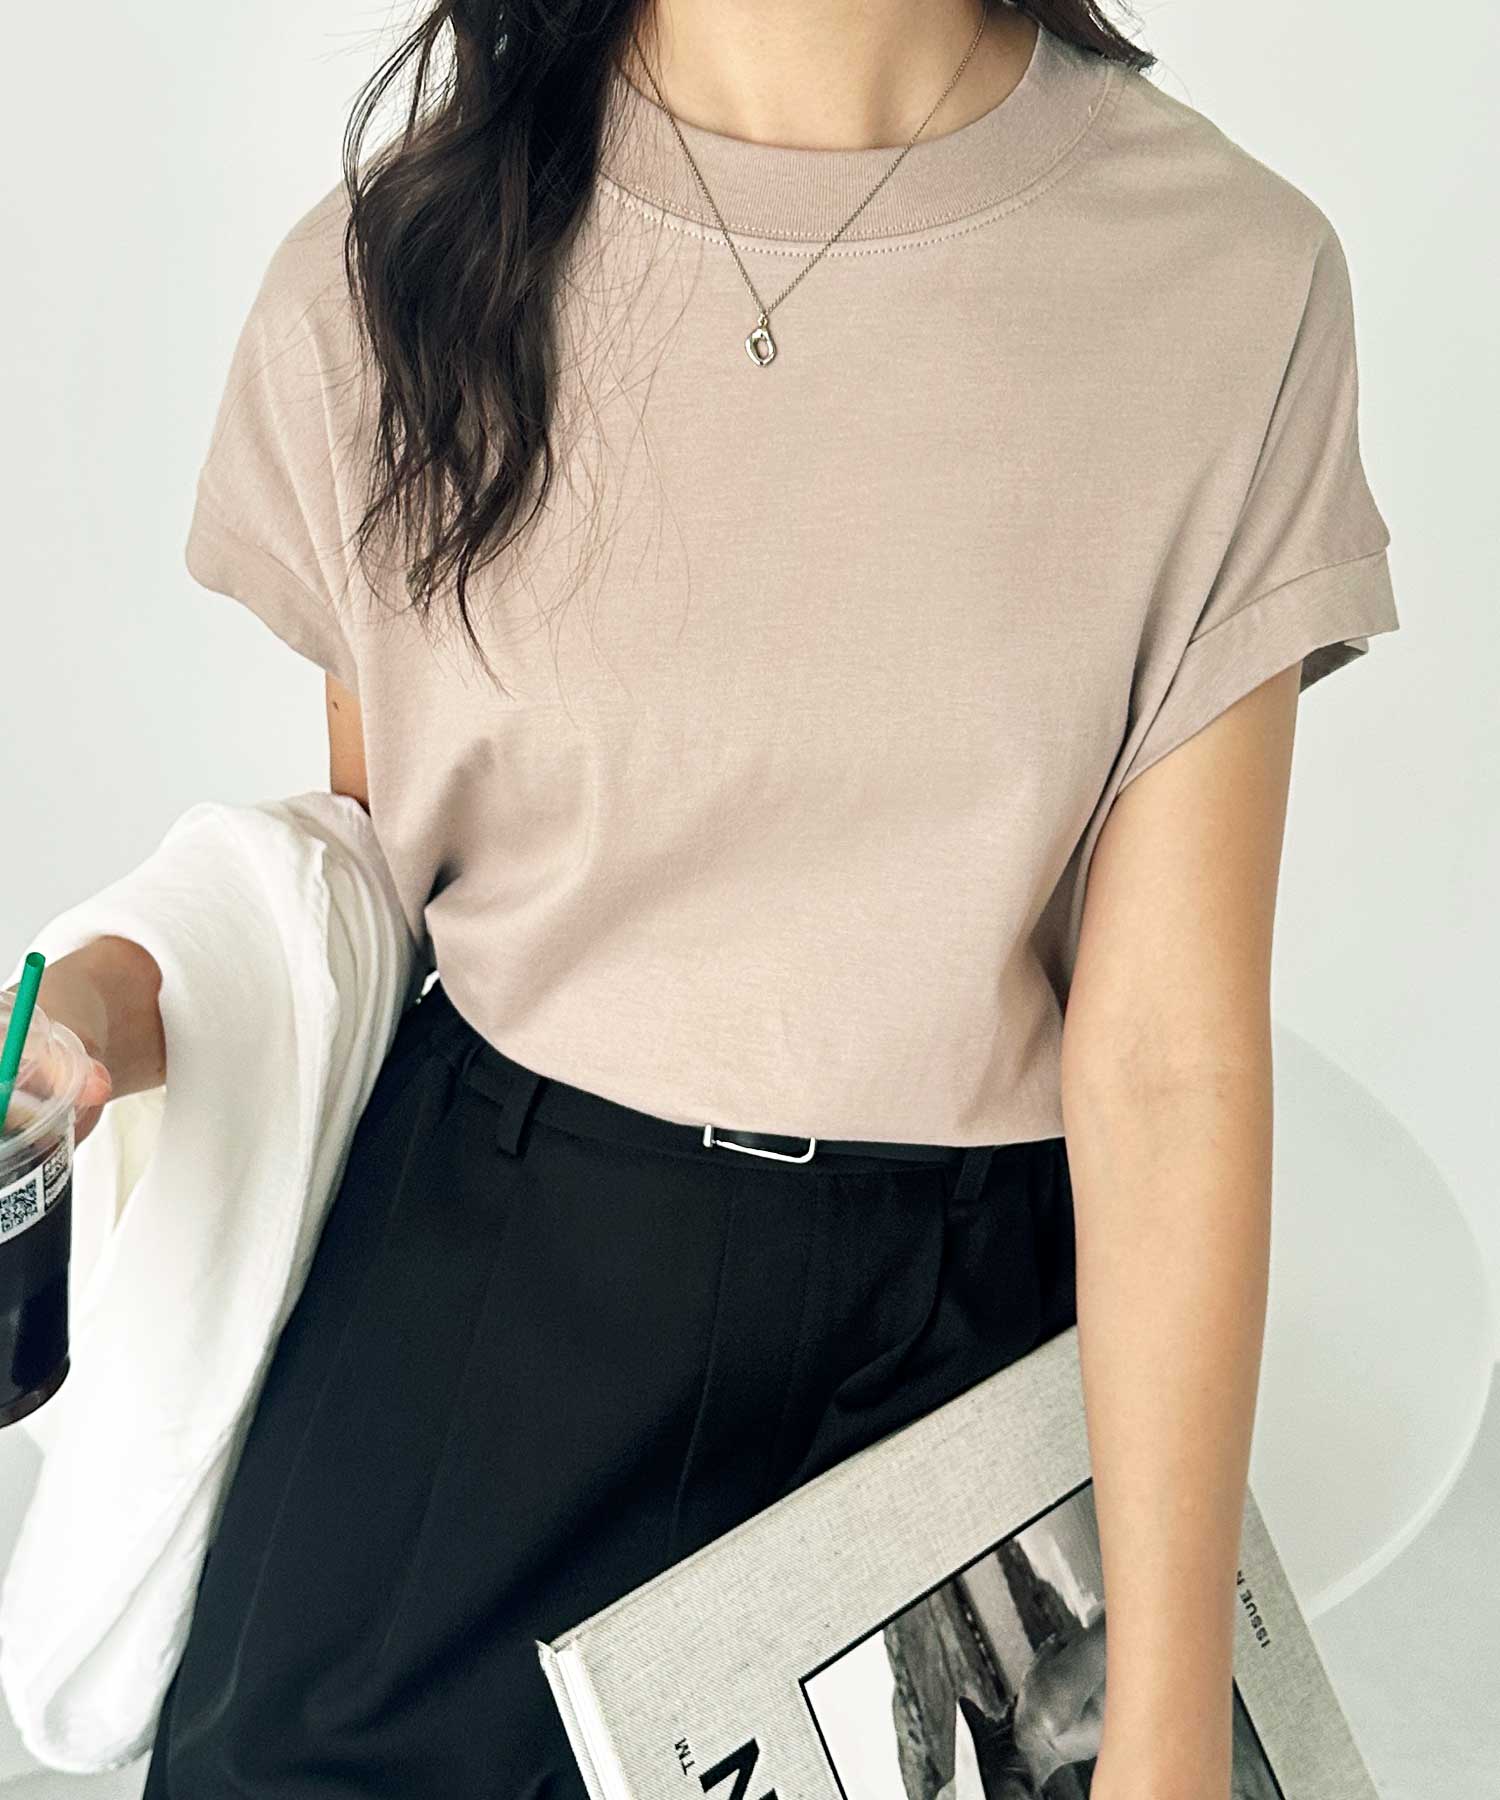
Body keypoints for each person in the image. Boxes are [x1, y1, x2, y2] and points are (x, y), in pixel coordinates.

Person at [14, 1, 1401, 1795]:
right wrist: (109, 998)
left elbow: (1166, 1060)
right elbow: (350, 890)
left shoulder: (1228, 281)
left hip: (955, 1353)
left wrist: (1168, 1717)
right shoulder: (403, 261)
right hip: (479, 1304)